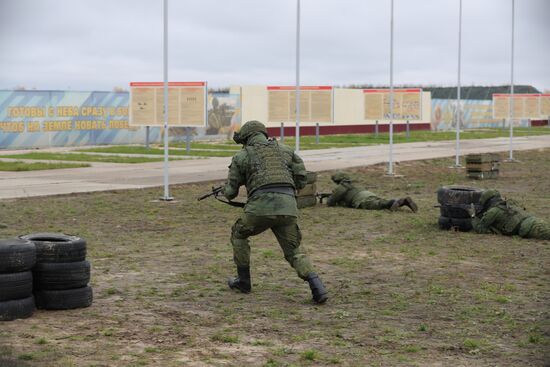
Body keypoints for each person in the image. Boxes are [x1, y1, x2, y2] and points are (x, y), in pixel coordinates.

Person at [222, 120, 328, 304]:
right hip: (288, 206)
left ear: (246, 138)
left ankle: (244, 281)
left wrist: (224, 189)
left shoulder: (241, 156)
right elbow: (302, 179)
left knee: (238, 234)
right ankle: (317, 287)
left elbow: (230, 193)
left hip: (259, 208)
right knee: (294, 250)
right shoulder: (286, 150)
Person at [471, 189, 550, 240]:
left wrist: (473, 216)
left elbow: (481, 228)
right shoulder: (510, 203)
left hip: (529, 228)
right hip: (535, 220)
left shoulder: (493, 211)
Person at [325, 172, 418, 212]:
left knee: (379, 205)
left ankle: (396, 201)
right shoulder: (351, 184)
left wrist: (330, 197)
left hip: (360, 199)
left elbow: (330, 203)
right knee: (380, 201)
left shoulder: (341, 187)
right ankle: (403, 202)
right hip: (367, 194)